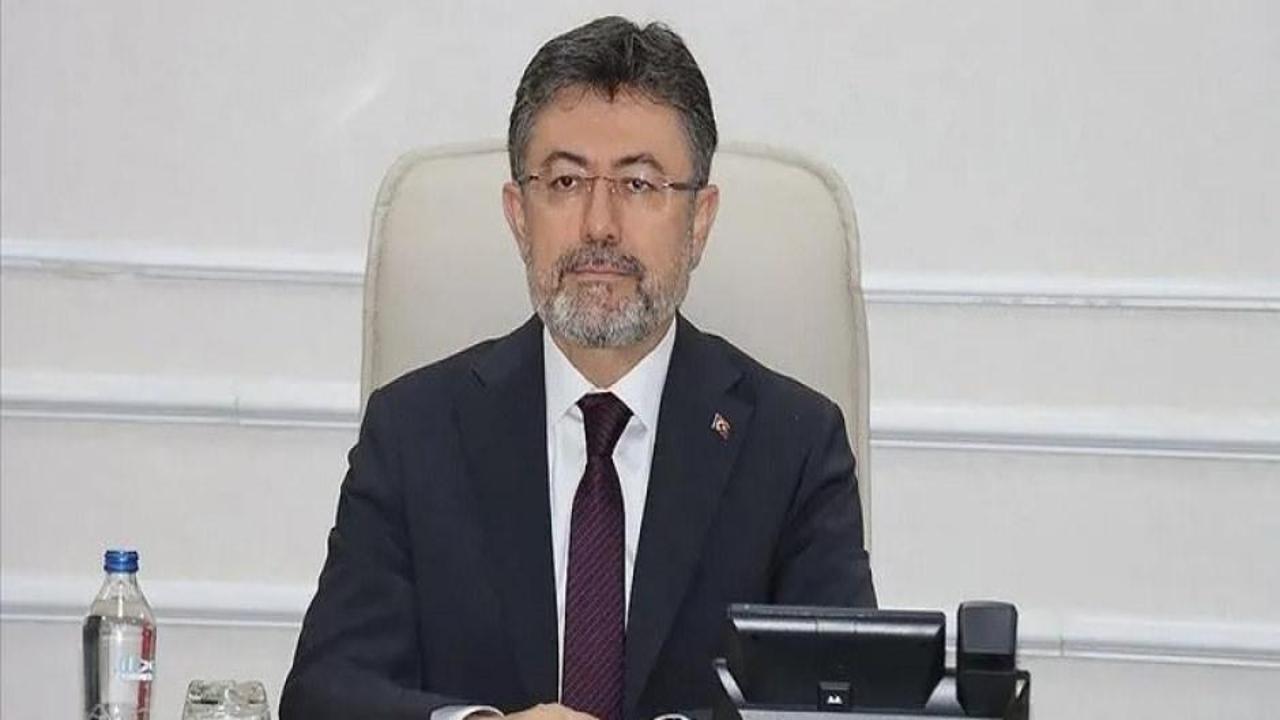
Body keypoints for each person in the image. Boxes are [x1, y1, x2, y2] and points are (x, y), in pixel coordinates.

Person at [280, 16, 875, 720]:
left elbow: (846, 703)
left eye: (639, 184)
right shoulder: (414, 432)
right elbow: (325, 694)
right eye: (564, 181)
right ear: (518, 215)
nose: (599, 225)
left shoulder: (793, 444)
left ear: (700, 221)